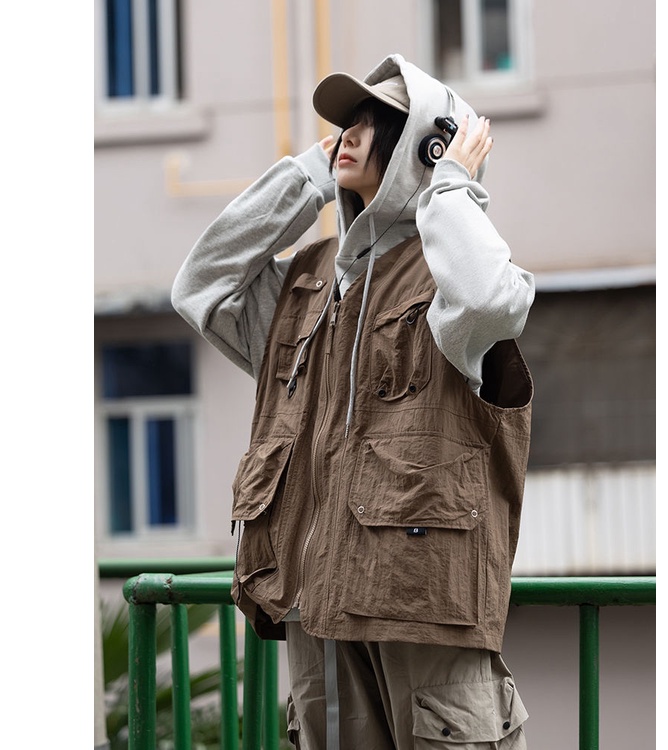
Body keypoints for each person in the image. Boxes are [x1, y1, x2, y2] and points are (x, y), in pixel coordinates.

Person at [172, 53, 535, 750]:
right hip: (314, 613)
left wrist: (448, 187)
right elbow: (201, 283)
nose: (348, 134)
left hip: (423, 611)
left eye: (374, 122)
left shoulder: (451, 277)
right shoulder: (307, 282)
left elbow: (492, 300)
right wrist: (307, 175)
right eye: (345, 123)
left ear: (425, 146)